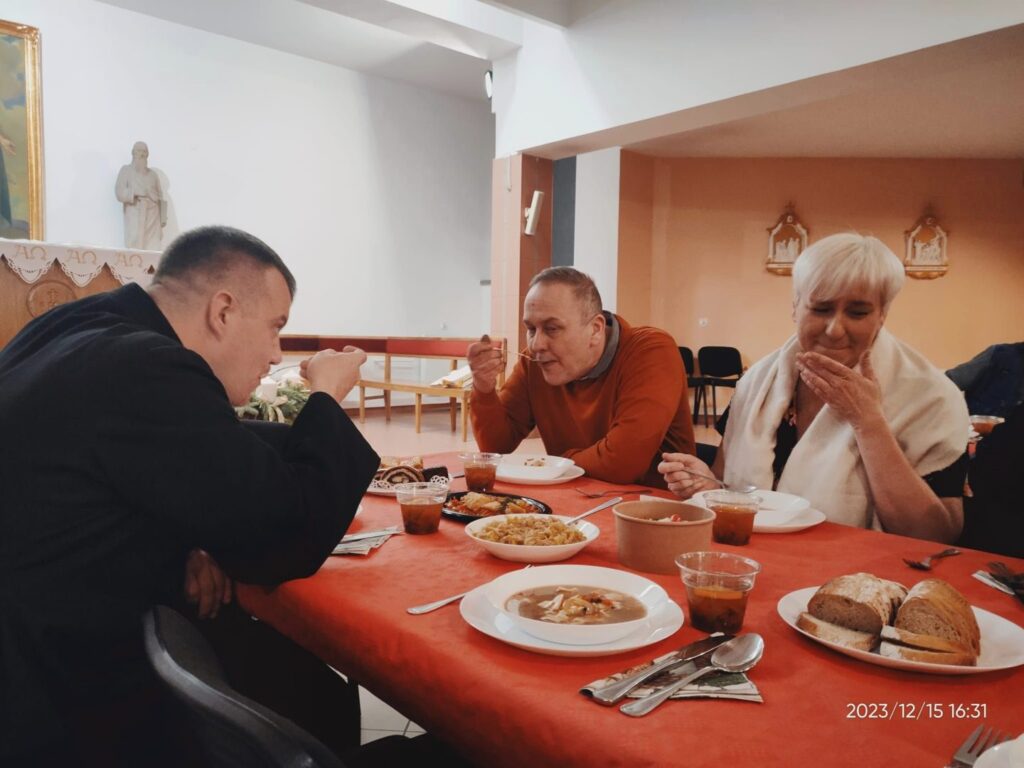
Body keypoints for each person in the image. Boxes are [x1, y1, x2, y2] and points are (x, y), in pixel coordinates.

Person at [0, 226, 379, 765]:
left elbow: (151, 458)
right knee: (310, 693)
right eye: (275, 327)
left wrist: (188, 539)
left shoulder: (77, 324)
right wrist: (328, 399)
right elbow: (283, 536)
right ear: (222, 311)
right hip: (62, 691)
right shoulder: (146, 367)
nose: (276, 353)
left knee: (297, 678)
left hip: (45, 631)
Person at [660, 233, 969, 543]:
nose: (835, 329)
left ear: (882, 315)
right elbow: (725, 478)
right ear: (796, 307)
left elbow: (935, 533)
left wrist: (868, 423)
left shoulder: (931, 396)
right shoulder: (757, 381)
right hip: (752, 558)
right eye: (821, 309)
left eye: (858, 313)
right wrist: (708, 485)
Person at [468, 266, 695, 487]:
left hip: (651, 505)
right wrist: (484, 389)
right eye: (531, 329)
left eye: (552, 328)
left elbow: (622, 463)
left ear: (595, 329)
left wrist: (557, 463)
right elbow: (495, 449)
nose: (536, 344)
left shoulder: (650, 351)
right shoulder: (535, 363)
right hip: (574, 499)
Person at [115, 140, 167, 250]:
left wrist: (162, 221)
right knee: (134, 246)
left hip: (153, 217)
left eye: (144, 152)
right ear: (133, 153)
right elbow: (119, 192)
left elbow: (160, 197)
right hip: (135, 212)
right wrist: (135, 192)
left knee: (153, 248)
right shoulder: (126, 170)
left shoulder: (153, 175)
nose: (142, 154)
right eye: (139, 151)